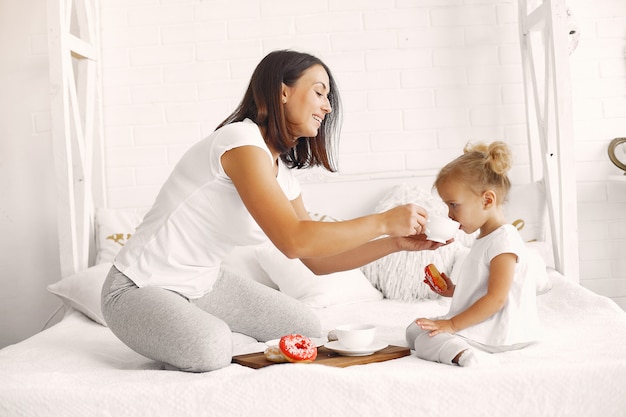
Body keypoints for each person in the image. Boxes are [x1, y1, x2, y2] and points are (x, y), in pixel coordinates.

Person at [101, 50, 444, 372]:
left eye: (328, 99)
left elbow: (317, 260)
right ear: (283, 92)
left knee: (304, 327)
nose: (327, 108)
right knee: (212, 347)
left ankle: (182, 320)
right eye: (319, 93)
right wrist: (383, 220)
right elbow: (294, 241)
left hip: (202, 285)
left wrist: (395, 241)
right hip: (138, 286)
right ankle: (179, 328)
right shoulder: (239, 141)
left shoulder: (281, 173)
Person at [406, 141, 539, 367]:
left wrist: (452, 325)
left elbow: (496, 299)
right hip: (484, 321)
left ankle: (468, 356)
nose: (449, 214)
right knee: (414, 331)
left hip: (499, 330)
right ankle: (454, 344)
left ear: (487, 200)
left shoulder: (504, 240)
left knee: (426, 342)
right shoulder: (486, 238)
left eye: (454, 205)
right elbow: (482, 290)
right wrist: (453, 291)